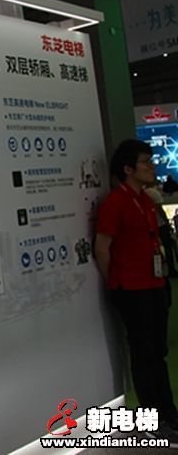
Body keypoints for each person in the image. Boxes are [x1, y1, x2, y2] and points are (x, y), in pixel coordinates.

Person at [95, 139, 178, 444]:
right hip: (131, 289)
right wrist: (116, 283)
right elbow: (102, 248)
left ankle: (169, 414)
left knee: (158, 353)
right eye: (145, 162)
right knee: (144, 356)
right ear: (128, 169)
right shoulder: (116, 203)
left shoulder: (144, 200)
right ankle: (153, 420)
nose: (152, 166)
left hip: (154, 284)